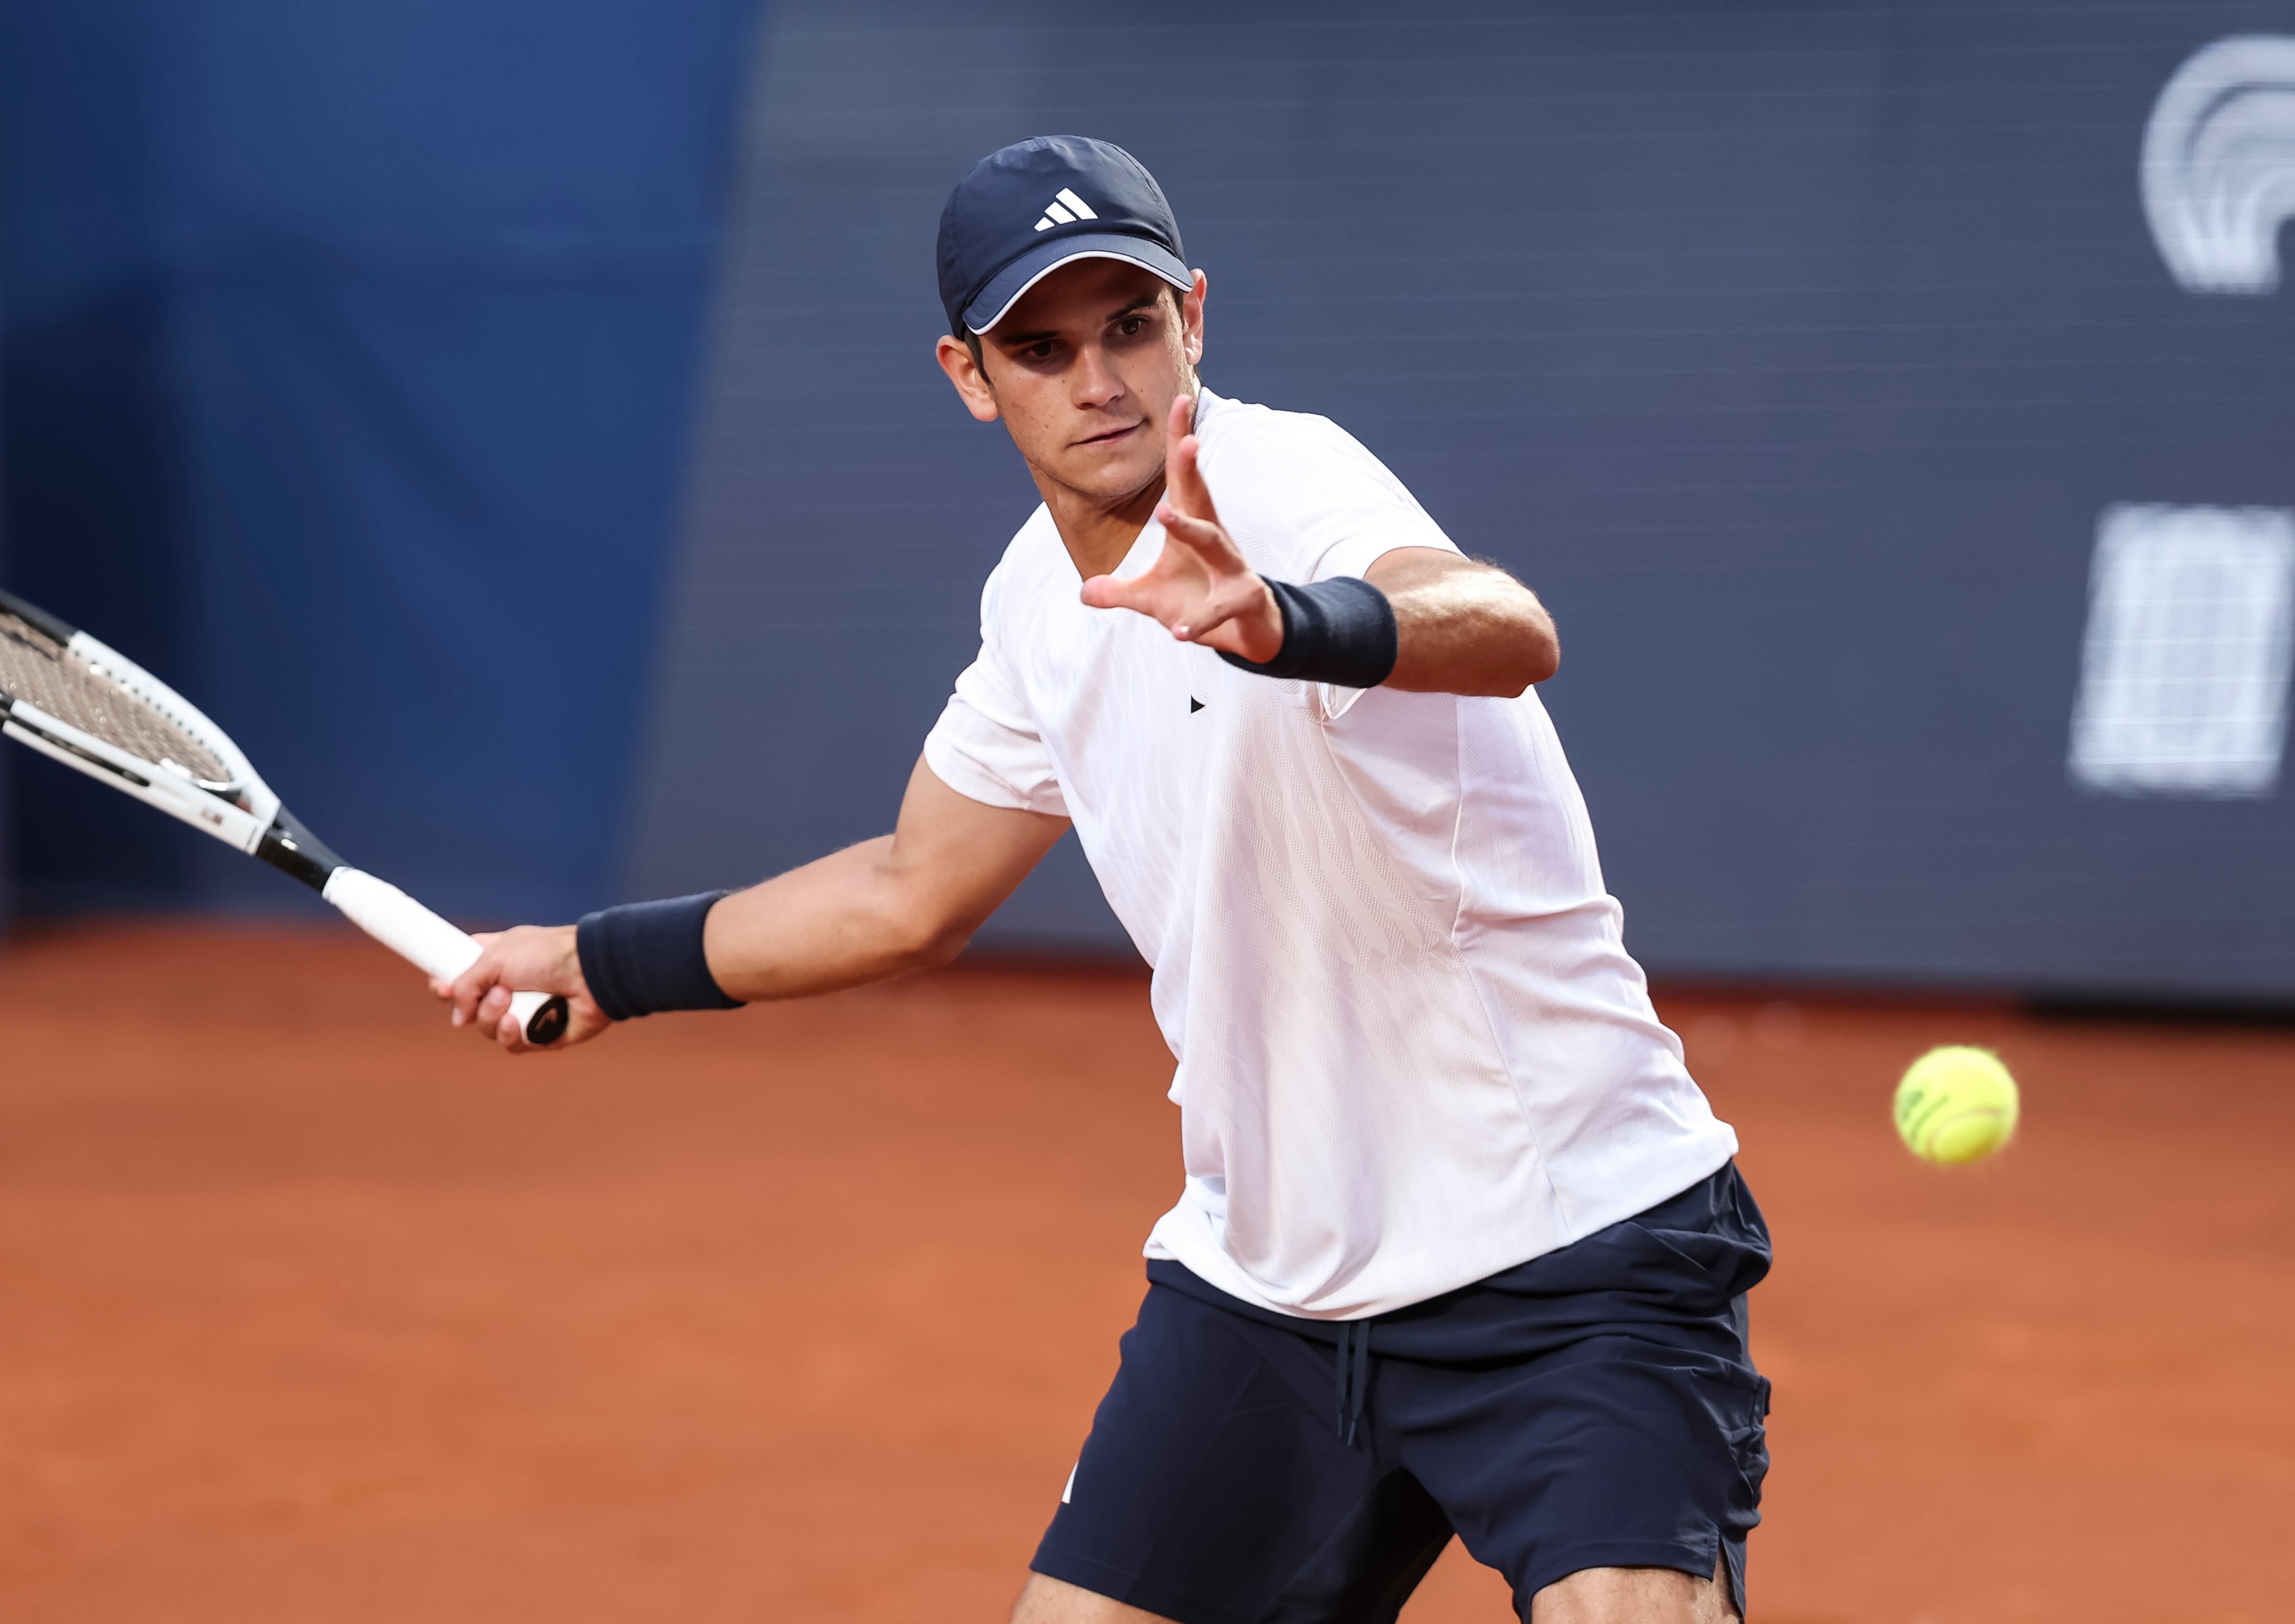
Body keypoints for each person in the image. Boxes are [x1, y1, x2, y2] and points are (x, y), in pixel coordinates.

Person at [444, 135, 1770, 1624]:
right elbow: (908, 886)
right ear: (968, 373)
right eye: (1042, 347)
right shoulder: (1035, 602)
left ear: (1191, 316)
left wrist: (1285, 619)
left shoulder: (1286, 479)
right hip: (1269, 1285)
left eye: (1130, 326)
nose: (1100, 381)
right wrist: (602, 961)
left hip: (1564, 1249)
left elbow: (1503, 624)